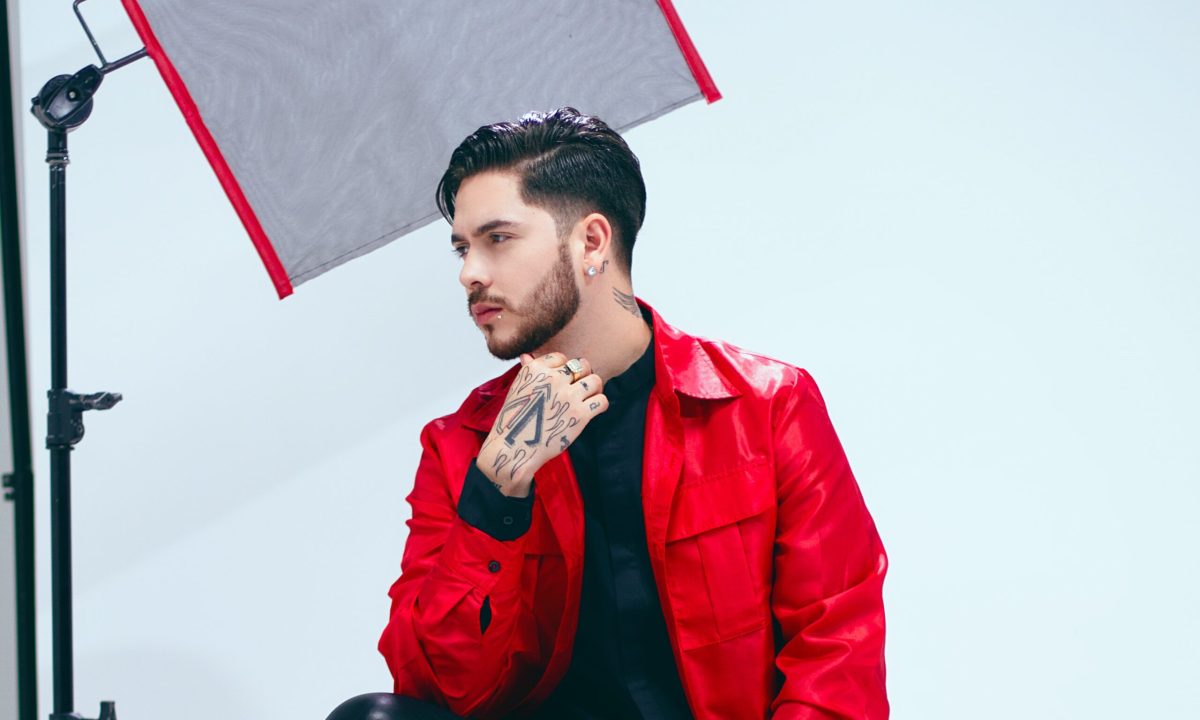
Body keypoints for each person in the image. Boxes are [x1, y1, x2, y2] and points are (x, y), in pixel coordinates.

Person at [374, 108, 888, 719]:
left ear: (591, 241)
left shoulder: (766, 405)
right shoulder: (460, 445)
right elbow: (433, 690)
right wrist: (499, 488)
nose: (469, 274)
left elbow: (837, 647)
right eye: (462, 248)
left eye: (498, 239)